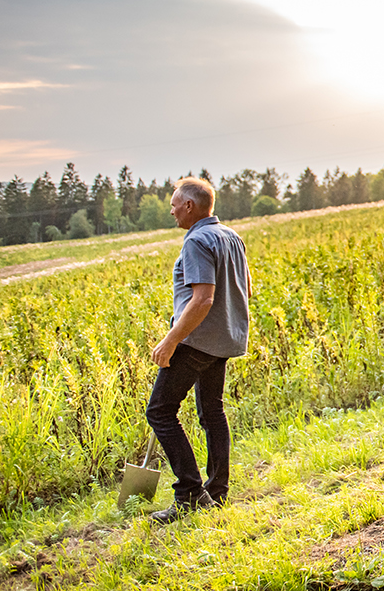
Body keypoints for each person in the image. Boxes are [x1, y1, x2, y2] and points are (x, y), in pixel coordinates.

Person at [146, 176, 251, 524]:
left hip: (195, 342)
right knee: (212, 413)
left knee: (160, 412)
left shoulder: (196, 241)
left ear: (189, 206)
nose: (172, 211)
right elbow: (245, 291)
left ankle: (190, 494)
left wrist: (171, 339)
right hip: (223, 341)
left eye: (175, 204)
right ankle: (216, 493)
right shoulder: (231, 237)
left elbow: (203, 298)